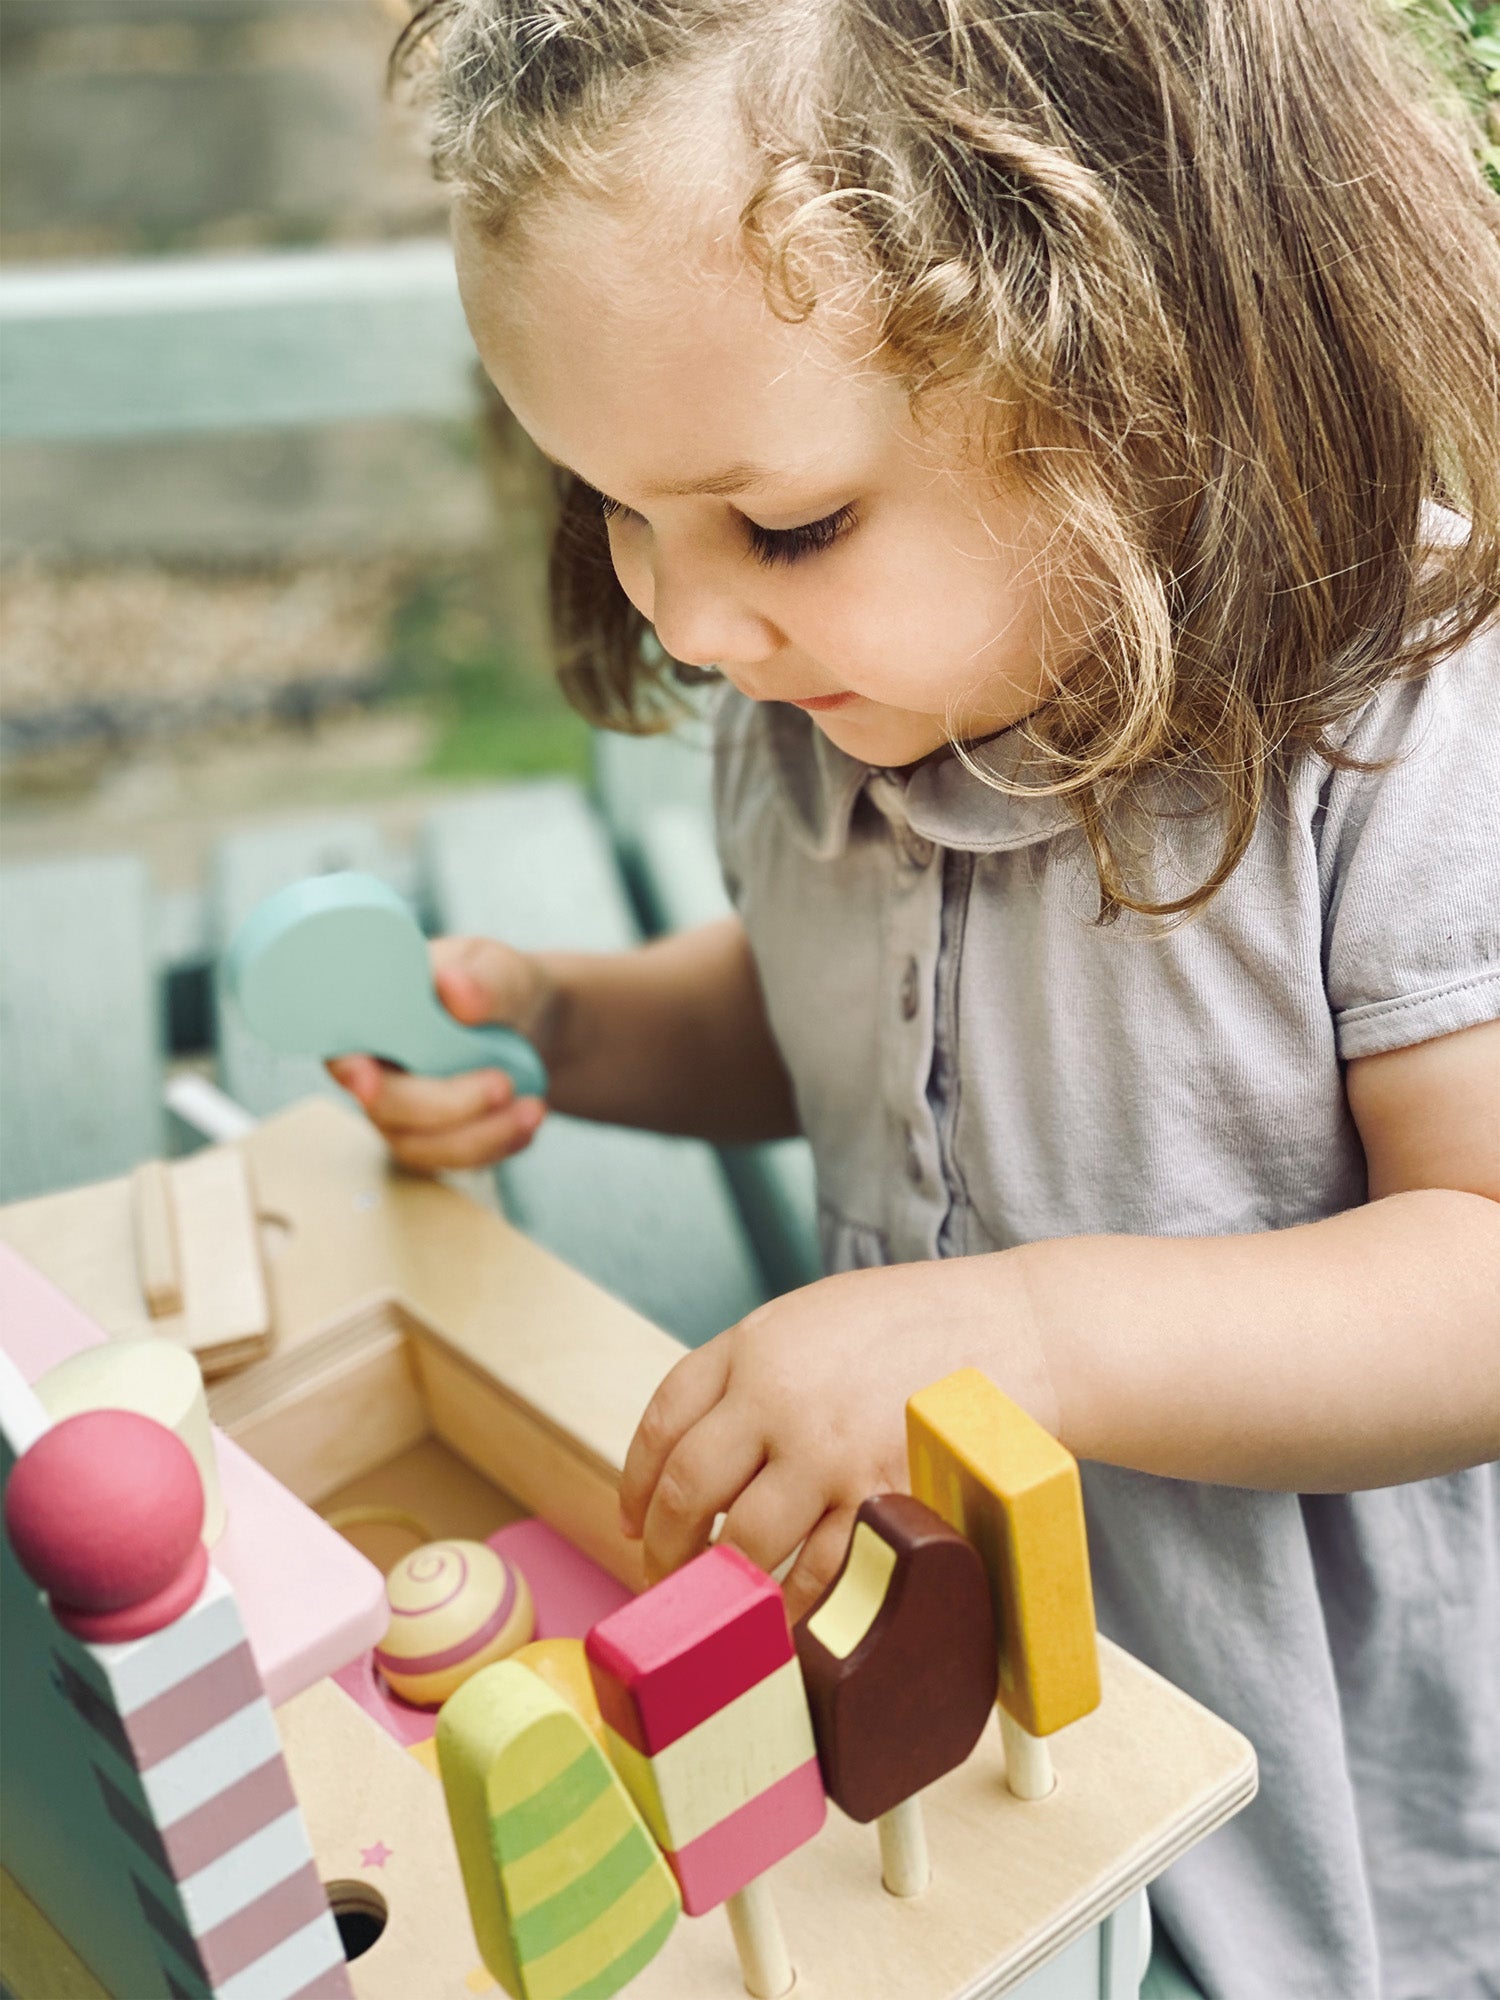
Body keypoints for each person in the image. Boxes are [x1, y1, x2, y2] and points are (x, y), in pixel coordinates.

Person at [333, 3, 1500, 1993]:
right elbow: (840, 1024)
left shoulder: (1389, 719)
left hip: (1284, 1790)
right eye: (615, 507)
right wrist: (572, 1031)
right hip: (931, 1742)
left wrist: (1018, 1334)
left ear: (1138, 373)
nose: (688, 616)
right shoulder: (826, 700)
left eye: (783, 522)